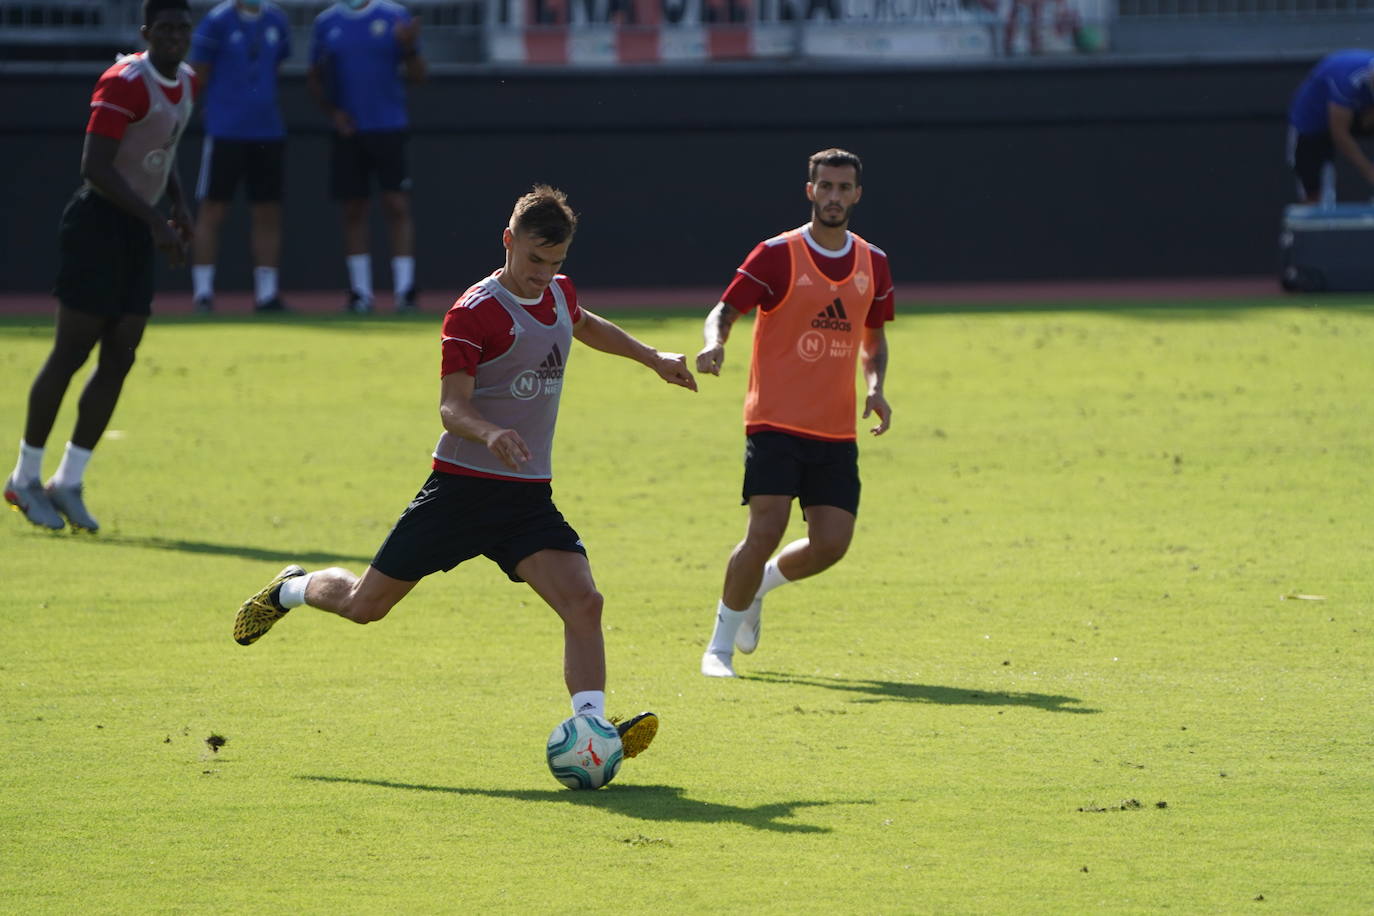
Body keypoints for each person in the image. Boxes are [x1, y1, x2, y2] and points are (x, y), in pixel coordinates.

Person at [232, 185, 697, 756]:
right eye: (534, 260)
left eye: (555, 263)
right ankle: (291, 589)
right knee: (364, 606)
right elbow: (451, 408)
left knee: (584, 602)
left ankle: (593, 730)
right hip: (461, 492)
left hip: (525, 497)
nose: (543, 275)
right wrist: (490, 432)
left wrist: (653, 357)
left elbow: (583, 322)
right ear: (508, 241)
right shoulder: (474, 313)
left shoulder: (559, 291)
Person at [695, 148, 895, 678]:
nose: (833, 196)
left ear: (857, 195)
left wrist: (876, 388)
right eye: (825, 186)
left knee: (832, 544)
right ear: (810, 191)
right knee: (766, 528)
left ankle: (758, 587)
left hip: (835, 427)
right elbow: (725, 310)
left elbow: (874, 337)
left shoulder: (873, 262)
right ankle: (718, 648)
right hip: (774, 419)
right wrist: (715, 343)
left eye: (843, 187)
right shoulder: (777, 254)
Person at [4, 0, 196, 533]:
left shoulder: (186, 80)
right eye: (165, 27)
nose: (175, 36)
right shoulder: (125, 81)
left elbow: (162, 148)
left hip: (137, 229)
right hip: (98, 225)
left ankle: (68, 480)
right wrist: (156, 221)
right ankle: (24, 476)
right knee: (72, 350)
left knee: (121, 353)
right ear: (146, 31)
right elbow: (95, 166)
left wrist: (177, 204)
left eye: (183, 27)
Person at [307, 0, 425, 313]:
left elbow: (418, 75)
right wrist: (334, 113)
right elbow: (314, 76)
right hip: (349, 132)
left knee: (397, 205)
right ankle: (360, 293)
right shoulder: (326, 22)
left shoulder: (395, 16)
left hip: (389, 127)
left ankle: (405, 291)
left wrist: (409, 47)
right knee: (353, 209)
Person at [187, 0, 293, 313]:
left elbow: (274, 66)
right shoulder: (216, 21)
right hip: (225, 131)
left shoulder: (277, 20)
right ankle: (203, 294)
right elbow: (199, 74)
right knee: (213, 209)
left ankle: (267, 294)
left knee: (267, 211)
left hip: (268, 131)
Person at [1288, 49, 1374, 205]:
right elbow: (1339, 134)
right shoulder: (1347, 81)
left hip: (1357, 112)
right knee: (1314, 193)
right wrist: (1369, 171)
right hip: (1311, 126)